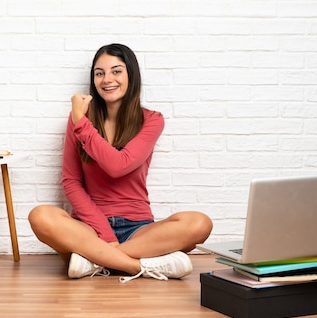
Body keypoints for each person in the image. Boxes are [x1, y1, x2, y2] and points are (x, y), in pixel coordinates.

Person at [28, 43, 213, 283]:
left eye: (116, 71)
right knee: (40, 216)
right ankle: (141, 267)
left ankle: (95, 261)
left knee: (199, 223)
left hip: (138, 230)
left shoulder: (151, 120)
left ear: (131, 76)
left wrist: (80, 124)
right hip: (88, 229)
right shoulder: (79, 118)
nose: (107, 79)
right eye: (99, 73)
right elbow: (71, 182)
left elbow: (118, 166)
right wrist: (104, 233)